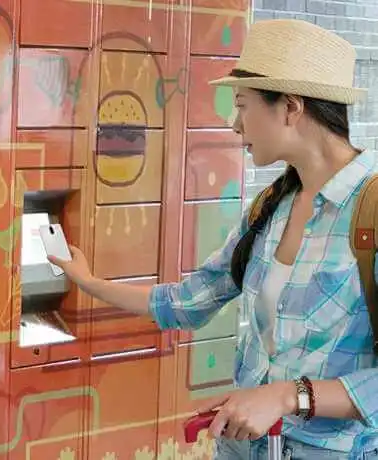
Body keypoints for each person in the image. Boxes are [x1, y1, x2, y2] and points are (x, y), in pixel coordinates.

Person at [49, 19, 377, 459]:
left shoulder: (369, 213)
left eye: (242, 105)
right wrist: (86, 281)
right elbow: (188, 302)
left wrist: (287, 396)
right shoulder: (271, 207)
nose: (233, 123)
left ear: (291, 108)